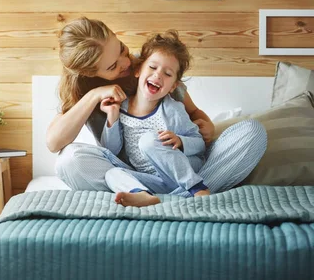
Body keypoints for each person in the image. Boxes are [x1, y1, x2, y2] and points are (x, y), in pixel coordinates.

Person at [47, 17, 267, 199]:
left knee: (252, 131)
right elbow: (54, 143)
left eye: (122, 50)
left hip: (181, 164)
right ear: (91, 74)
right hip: (135, 174)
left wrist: (205, 124)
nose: (126, 63)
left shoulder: (151, 70)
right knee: (69, 161)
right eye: (113, 66)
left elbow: (194, 115)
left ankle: (187, 189)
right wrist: (94, 96)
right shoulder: (87, 93)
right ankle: (172, 194)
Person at [100, 30, 209, 207]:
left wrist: (181, 141)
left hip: (180, 171)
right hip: (156, 180)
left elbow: (199, 144)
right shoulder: (122, 107)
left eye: (167, 74)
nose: (158, 75)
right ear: (137, 71)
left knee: (149, 141)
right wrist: (112, 117)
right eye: (152, 67)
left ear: (173, 86)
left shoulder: (173, 110)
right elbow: (112, 149)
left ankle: (197, 188)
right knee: (112, 174)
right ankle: (142, 194)